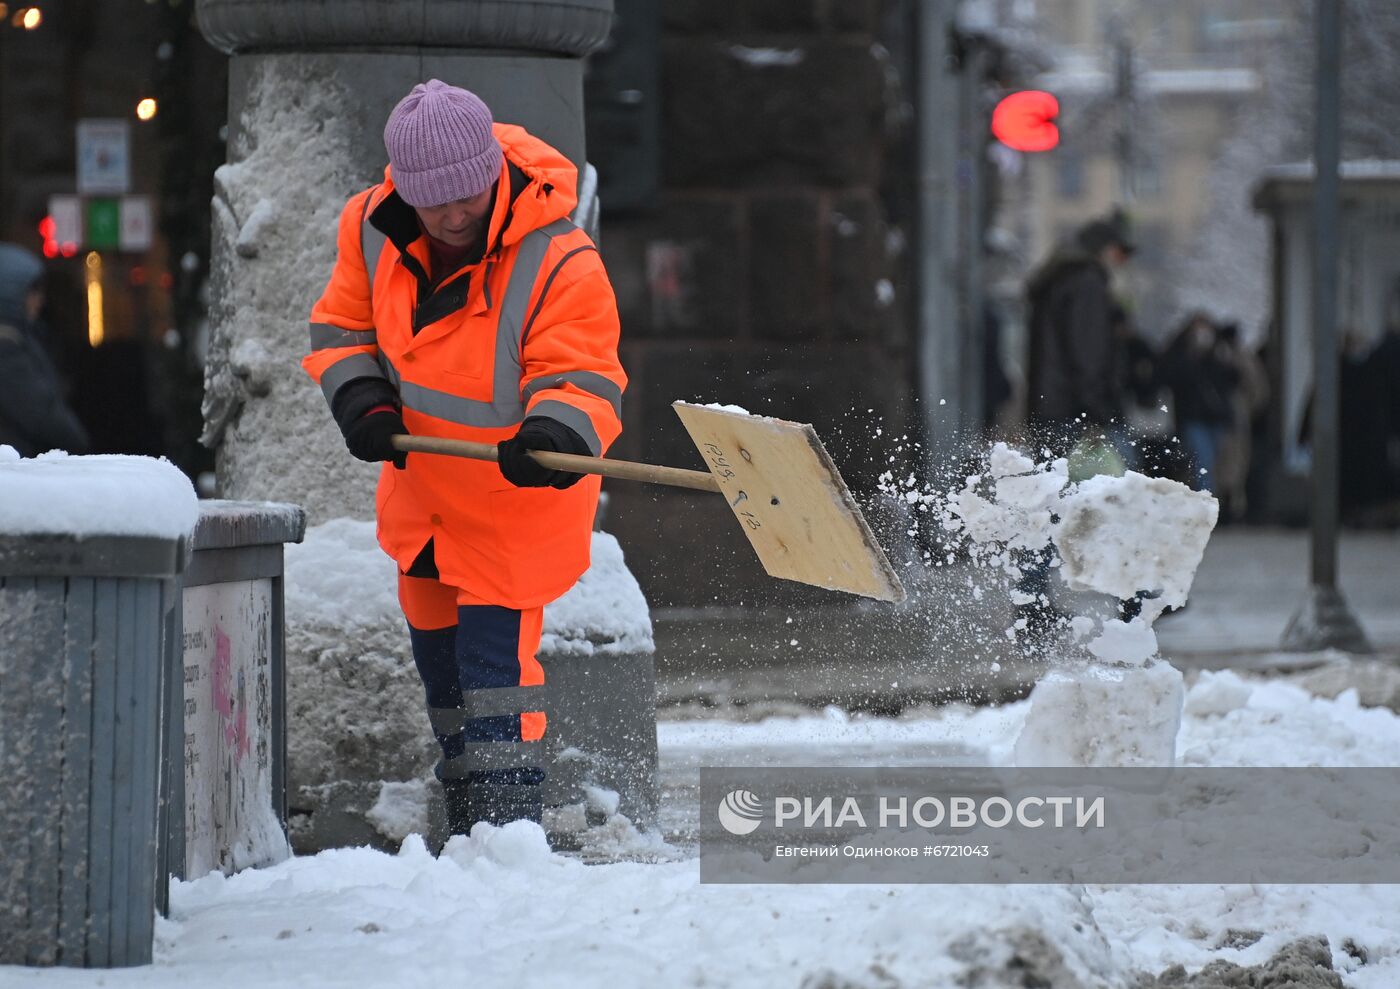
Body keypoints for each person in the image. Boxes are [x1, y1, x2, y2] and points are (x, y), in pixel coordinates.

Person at [303, 81, 626, 839]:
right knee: (441, 672)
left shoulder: (559, 259)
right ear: (402, 191)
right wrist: (363, 402)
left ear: (492, 172)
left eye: (466, 195)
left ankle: (508, 828)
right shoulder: (371, 227)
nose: (453, 215)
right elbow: (341, 326)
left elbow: (584, 372)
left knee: (495, 679)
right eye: (432, 201)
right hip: (426, 501)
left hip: (517, 501)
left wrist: (554, 431)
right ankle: (467, 809)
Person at [1016, 212, 1135, 637]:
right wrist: (1098, 414)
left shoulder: (1057, 284)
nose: (1122, 261)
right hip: (1077, 416)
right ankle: (1139, 596)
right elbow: (1087, 356)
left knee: (1050, 510)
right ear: (1104, 250)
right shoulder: (1086, 284)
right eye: (1121, 252)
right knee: (1122, 498)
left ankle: (1030, 605)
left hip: (1054, 413)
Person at [0, 243, 89, 457]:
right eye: (33, 291)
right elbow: (41, 414)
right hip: (21, 473)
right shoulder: (7, 348)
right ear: (11, 291)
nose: (39, 300)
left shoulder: (21, 338)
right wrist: (75, 440)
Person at [1161, 313, 1239, 492]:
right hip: (1193, 417)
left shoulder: (1219, 353)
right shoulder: (1181, 354)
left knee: (1219, 464)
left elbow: (1233, 380)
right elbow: (1171, 377)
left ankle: (1215, 500)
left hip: (1217, 417)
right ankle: (1207, 501)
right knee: (1203, 461)